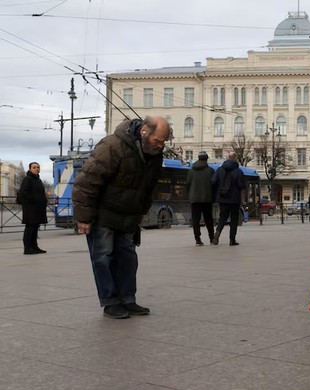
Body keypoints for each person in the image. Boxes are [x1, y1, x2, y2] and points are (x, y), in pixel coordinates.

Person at [72, 115, 171, 319]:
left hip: (128, 216)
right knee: (103, 257)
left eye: (163, 141)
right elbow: (86, 182)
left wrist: (142, 212)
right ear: (144, 131)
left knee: (128, 259)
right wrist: (83, 217)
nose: (161, 145)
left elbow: (148, 187)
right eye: (158, 140)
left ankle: (127, 299)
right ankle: (110, 302)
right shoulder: (111, 146)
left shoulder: (154, 153)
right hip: (103, 214)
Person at [211, 157, 245, 246]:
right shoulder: (238, 171)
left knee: (222, 217)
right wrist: (242, 199)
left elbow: (213, 181)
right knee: (234, 219)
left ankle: (217, 234)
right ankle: (232, 240)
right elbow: (242, 186)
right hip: (235, 199)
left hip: (222, 198)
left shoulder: (219, 170)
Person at [17, 161, 48, 254]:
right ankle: (27, 248)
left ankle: (34, 247)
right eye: (34, 167)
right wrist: (35, 199)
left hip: (38, 208)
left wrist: (43, 201)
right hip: (30, 208)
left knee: (35, 227)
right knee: (30, 228)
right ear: (30, 169)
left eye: (38, 167)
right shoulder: (27, 179)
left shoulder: (38, 180)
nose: (36, 169)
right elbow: (23, 193)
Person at [186, 151, 215, 246]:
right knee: (208, 219)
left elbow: (188, 184)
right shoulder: (210, 171)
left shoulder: (191, 171)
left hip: (194, 198)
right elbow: (214, 184)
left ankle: (197, 239)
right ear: (206, 159)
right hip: (207, 198)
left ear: (198, 159)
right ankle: (211, 238)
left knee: (195, 220)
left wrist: (189, 195)